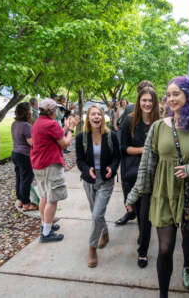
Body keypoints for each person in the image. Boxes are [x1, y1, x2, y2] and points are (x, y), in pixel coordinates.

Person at [126, 76, 189, 298]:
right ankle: (163, 294)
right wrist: (134, 194)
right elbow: (147, 165)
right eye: (169, 94)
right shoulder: (158, 127)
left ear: (188, 95)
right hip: (163, 192)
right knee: (164, 248)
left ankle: (187, 265)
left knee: (188, 236)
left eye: (176, 94)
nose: (171, 98)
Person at [118, 85, 160, 269]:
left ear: (155, 102)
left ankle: (142, 251)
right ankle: (143, 235)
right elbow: (123, 148)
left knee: (146, 215)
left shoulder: (161, 122)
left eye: (150, 100)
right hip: (133, 173)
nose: (147, 103)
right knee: (139, 212)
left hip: (154, 174)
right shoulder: (129, 121)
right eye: (144, 100)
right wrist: (145, 150)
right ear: (139, 101)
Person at [75, 105, 120, 268]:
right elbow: (79, 161)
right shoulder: (81, 137)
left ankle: (92, 248)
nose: (96, 117)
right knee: (96, 213)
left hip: (106, 182)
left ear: (103, 117)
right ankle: (105, 233)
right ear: (88, 117)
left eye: (99, 114)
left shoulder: (111, 136)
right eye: (93, 114)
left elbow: (117, 158)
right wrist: (87, 170)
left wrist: (112, 168)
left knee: (96, 215)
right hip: (89, 181)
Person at [31, 98, 80, 243]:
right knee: (52, 199)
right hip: (50, 165)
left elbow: (56, 136)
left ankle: (46, 225)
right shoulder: (51, 124)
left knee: (44, 197)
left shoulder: (38, 123)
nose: (59, 111)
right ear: (52, 111)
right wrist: (71, 129)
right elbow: (64, 143)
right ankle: (46, 234)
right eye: (57, 109)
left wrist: (64, 128)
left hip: (39, 165)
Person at [116, 80, 155, 226]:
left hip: (151, 165)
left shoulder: (158, 115)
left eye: (150, 96)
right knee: (130, 191)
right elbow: (122, 137)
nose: (147, 102)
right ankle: (130, 212)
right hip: (132, 162)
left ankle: (144, 223)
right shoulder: (129, 113)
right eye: (143, 96)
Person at [11, 102, 37, 211]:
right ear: (27, 112)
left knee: (19, 177)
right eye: (30, 110)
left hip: (15, 154)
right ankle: (26, 204)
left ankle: (20, 200)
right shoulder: (26, 126)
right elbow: (32, 143)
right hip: (24, 155)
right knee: (27, 178)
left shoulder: (14, 124)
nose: (32, 112)